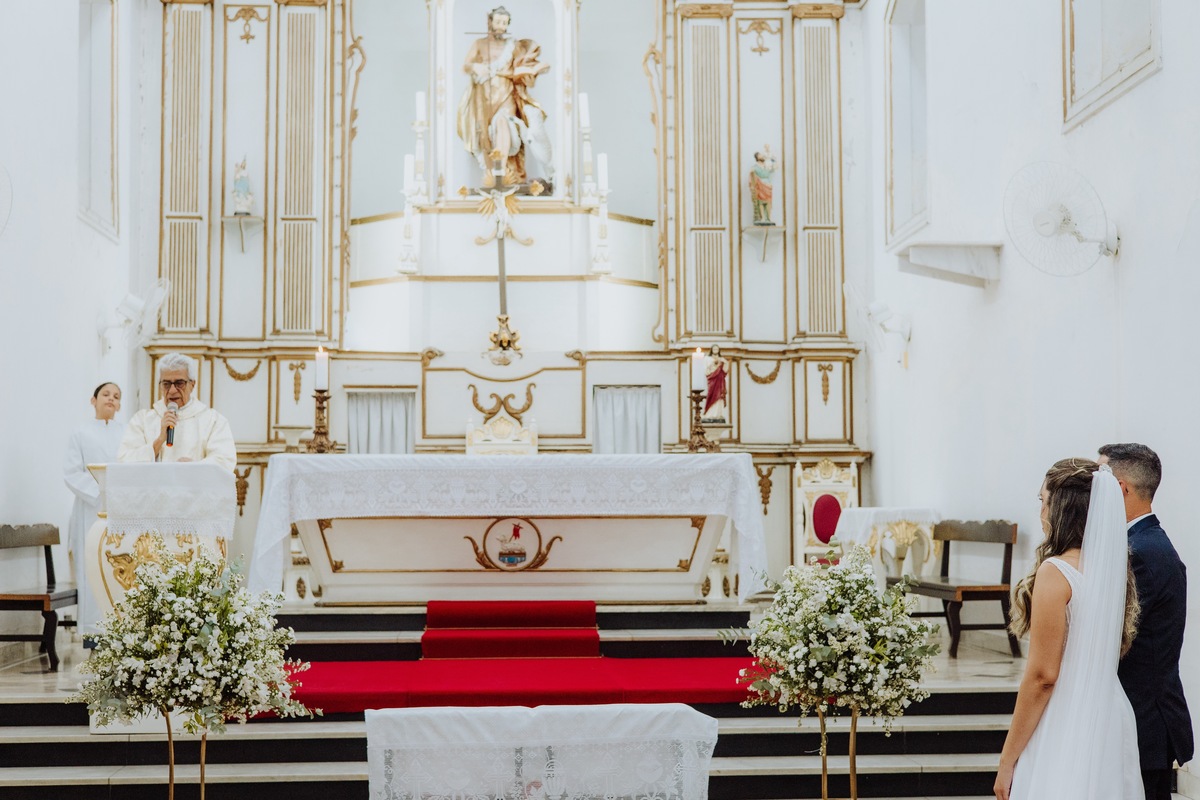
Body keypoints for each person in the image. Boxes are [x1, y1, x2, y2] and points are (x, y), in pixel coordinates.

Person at [994, 458, 1143, 800]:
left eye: (1043, 501)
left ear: (1060, 508)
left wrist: (1007, 759)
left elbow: (1043, 676)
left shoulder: (1056, 571)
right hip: (1110, 716)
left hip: (1066, 718)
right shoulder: (1112, 568)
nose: (1041, 511)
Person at [1098, 443, 1193, 800]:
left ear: (1121, 488)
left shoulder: (1143, 552)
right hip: (1139, 717)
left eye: (1098, 482)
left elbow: (1115, 635)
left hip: (1144, 720)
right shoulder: (1137, 542)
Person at [456, 5, 552, 185]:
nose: (501, 26)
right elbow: (465, 66)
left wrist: (536, 68)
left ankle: (501, 172)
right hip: (483, 97)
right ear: (489, 21)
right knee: (484, 134)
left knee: (504, 123)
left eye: (504, 22)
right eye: (498, 21)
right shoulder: (479, 44)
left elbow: (518, 70)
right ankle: (492, 174)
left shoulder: (512, 46)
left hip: (506, 93)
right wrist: (476, 66)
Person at [63, 382, 124, 640]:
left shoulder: (126, 433)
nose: (111, 399)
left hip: (120, 511)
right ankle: (93, 634)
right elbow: (72, 472)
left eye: (116, 396)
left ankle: (120, 632)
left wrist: (117, 495)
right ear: (93, 400)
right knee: (92, 567)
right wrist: (101, 493)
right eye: (106, 394)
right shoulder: (80, 433)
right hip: (90, 510)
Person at [118, 353, 236, 470]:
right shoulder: (142, 420)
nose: (172, 390)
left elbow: (225, 461)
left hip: (194, 488)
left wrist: (195, 467)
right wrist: (159, 441)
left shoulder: (213, 421)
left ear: (192, 384)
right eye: (166, 384)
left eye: (179, 383)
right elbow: (124, 460)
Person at [749, 147, 777, 225]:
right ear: (757, 158)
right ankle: (762, 218)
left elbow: (775, 167)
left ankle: (768, 218)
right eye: (760, 155)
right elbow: (752, 172)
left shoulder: (767, 165)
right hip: (760, 184)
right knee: (761, 202)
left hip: (767, 184)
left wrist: (773, 159)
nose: (762, 156)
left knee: (768, 202)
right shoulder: (755, 167)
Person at [702, 345, 729, 422]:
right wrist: (715, 363)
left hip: (719, 380)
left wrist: (724, 362)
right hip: (712, 380)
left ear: (719, 350)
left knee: (719, 396)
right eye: (714, 348)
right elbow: (706, 371)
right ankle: (709, 413)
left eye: (717, 349)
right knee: (711, 394)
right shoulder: (708, 359)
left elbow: (725, 371)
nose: (715, 350)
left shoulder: (722, 359)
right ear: (711, 350)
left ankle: (717, 414)